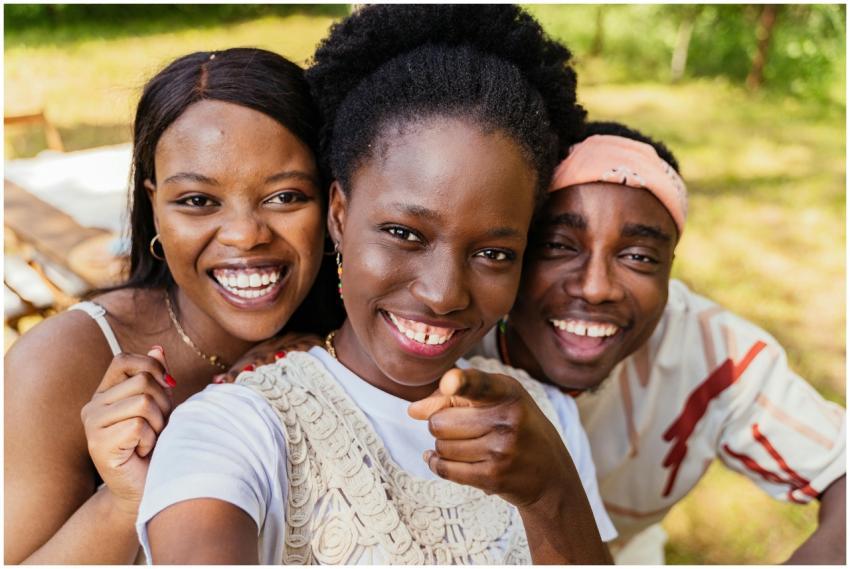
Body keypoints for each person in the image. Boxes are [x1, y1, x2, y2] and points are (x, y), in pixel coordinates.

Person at [136, 5, 617, 564]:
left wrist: (551, 494)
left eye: (493, 253)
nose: (443, 294)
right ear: (339, 215)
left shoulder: (545, 420)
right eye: (404, 234)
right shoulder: (238, 428)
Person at [4, 48, 342, 564]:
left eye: (285, 196)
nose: (245, 234)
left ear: (333, 205)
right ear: (155, 207)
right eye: (198, 201)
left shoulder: (361, 332)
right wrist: (125, 499)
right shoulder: (57, 365)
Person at [469, 121, 846, 564]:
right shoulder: (454, 334)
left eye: (639, 256)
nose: (595, 287)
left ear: (671, 269)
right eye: (557, 245)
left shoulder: (712, 355)